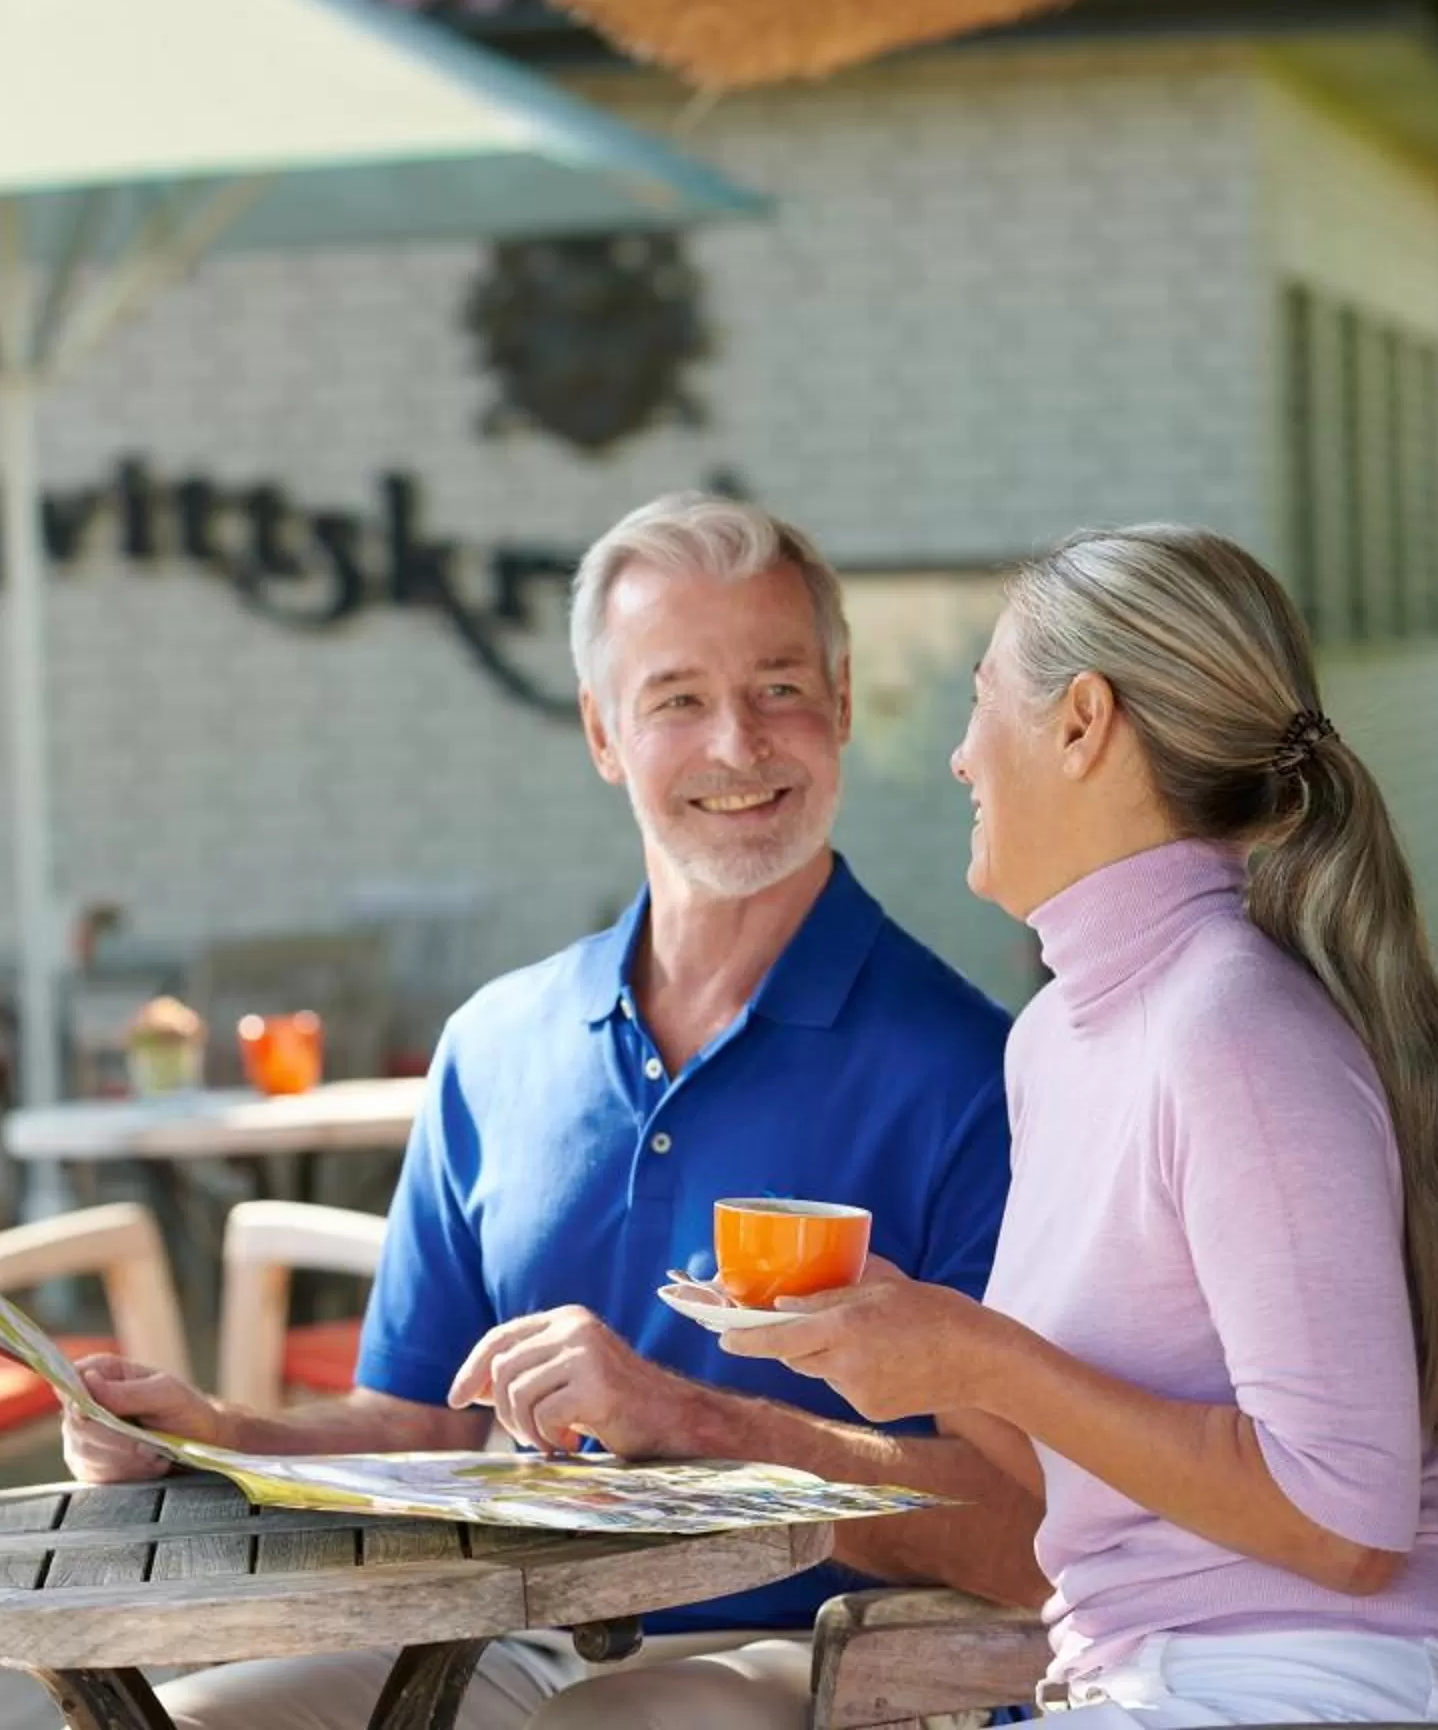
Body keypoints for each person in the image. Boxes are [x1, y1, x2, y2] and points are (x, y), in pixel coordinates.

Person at [64, 492, 1045, 1730]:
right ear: (602, 730)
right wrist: (217, 1437)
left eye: (781, 686)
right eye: (677, 698)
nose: (738, 743)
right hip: (489, 1638)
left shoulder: (973, 1072)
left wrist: (695, 1424)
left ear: (843, 705)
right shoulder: (493, 1044)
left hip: (811, 1652)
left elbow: (1025, 1532)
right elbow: (425, 1423)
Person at [731, 525, 1438, 1727]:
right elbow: (1104, 1483)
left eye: (982, 699)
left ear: (1083, 721)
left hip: (1305, 1684)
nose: (957, 756)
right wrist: (910, 1350)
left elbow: (1348, 1525)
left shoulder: (1235, 1029)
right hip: (1139, 1685)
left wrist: (987, 1354)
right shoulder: (1056, 1036)